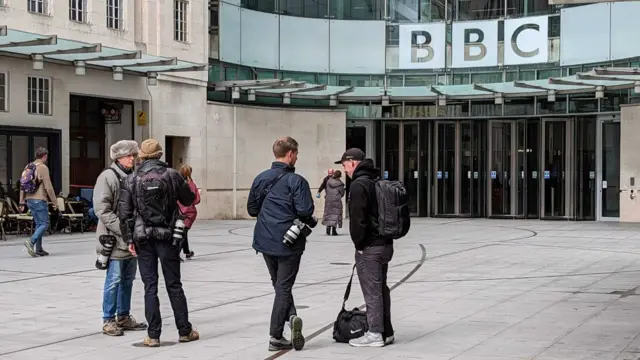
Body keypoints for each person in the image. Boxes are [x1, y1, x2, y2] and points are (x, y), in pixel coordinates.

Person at [118, 139, 199, 347]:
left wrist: (129, 239)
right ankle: (184, 330)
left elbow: (125, 213)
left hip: (143, 238)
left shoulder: (131, 179)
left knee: (149, 286)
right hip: (168, 237)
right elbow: (189, 199)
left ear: (141, 157)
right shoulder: (172, 175)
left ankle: (153, 335)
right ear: (160, 155)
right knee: (174, 284)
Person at [247, 136, 315, 352]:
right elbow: (306, 211)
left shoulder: (260, 178)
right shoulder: (297, 181)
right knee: (284, 287)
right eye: (296, 154)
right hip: (289, 241)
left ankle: (292, 316)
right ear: (291, 154)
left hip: (265, 241)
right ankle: (275, 336)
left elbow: (252, 209)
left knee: (279, 286)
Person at [336, 148, 395, 347]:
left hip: (370, 246)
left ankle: (375, 333)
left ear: (352, 162)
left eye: (344, 165)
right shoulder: (375, 180)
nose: (344, 170)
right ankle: (387, 331)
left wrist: (359, 245)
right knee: (380, 288)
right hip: (385, 244)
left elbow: (358, 220)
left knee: (372, 291)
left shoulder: (359, 185)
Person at [94, 140, 147, 336]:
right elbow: (102, 210)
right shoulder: (107, 177)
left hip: (132, 238)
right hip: (114, 239)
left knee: (128, 280)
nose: (132, 159)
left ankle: (123, 316)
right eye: (128, 156)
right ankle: (108, 319)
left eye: (133, 155)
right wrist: (124, 230)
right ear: (118, 158)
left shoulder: (133, 176)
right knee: (114, 280)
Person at [21, 146, 58, 257]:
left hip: (29, 199)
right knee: (45, 224)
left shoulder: (28, 166)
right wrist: (54, 201)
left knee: (39, 224)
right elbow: (49, 187)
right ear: (44, 156)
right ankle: (31, 241)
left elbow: (22, 185)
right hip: (39, 199)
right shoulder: (43, 167)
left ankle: (39, 249)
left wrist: (21, 201)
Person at [177, 165, 200, 261]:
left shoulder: (177, 184)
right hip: (189, 212)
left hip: (179, 212)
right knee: (183, 233)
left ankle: (186, 252)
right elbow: (197, 200)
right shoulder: (191, 185)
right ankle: (178, 254)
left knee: (182, 232)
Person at [321, 170, 345, 236]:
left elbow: (326, 189)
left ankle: (328, 228)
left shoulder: (328, 181)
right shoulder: (340, 184)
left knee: (329, 213)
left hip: (328, 199)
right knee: (336, 214)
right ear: (340, 176)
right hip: (336, 200)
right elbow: (342, 193)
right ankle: (334, 231)